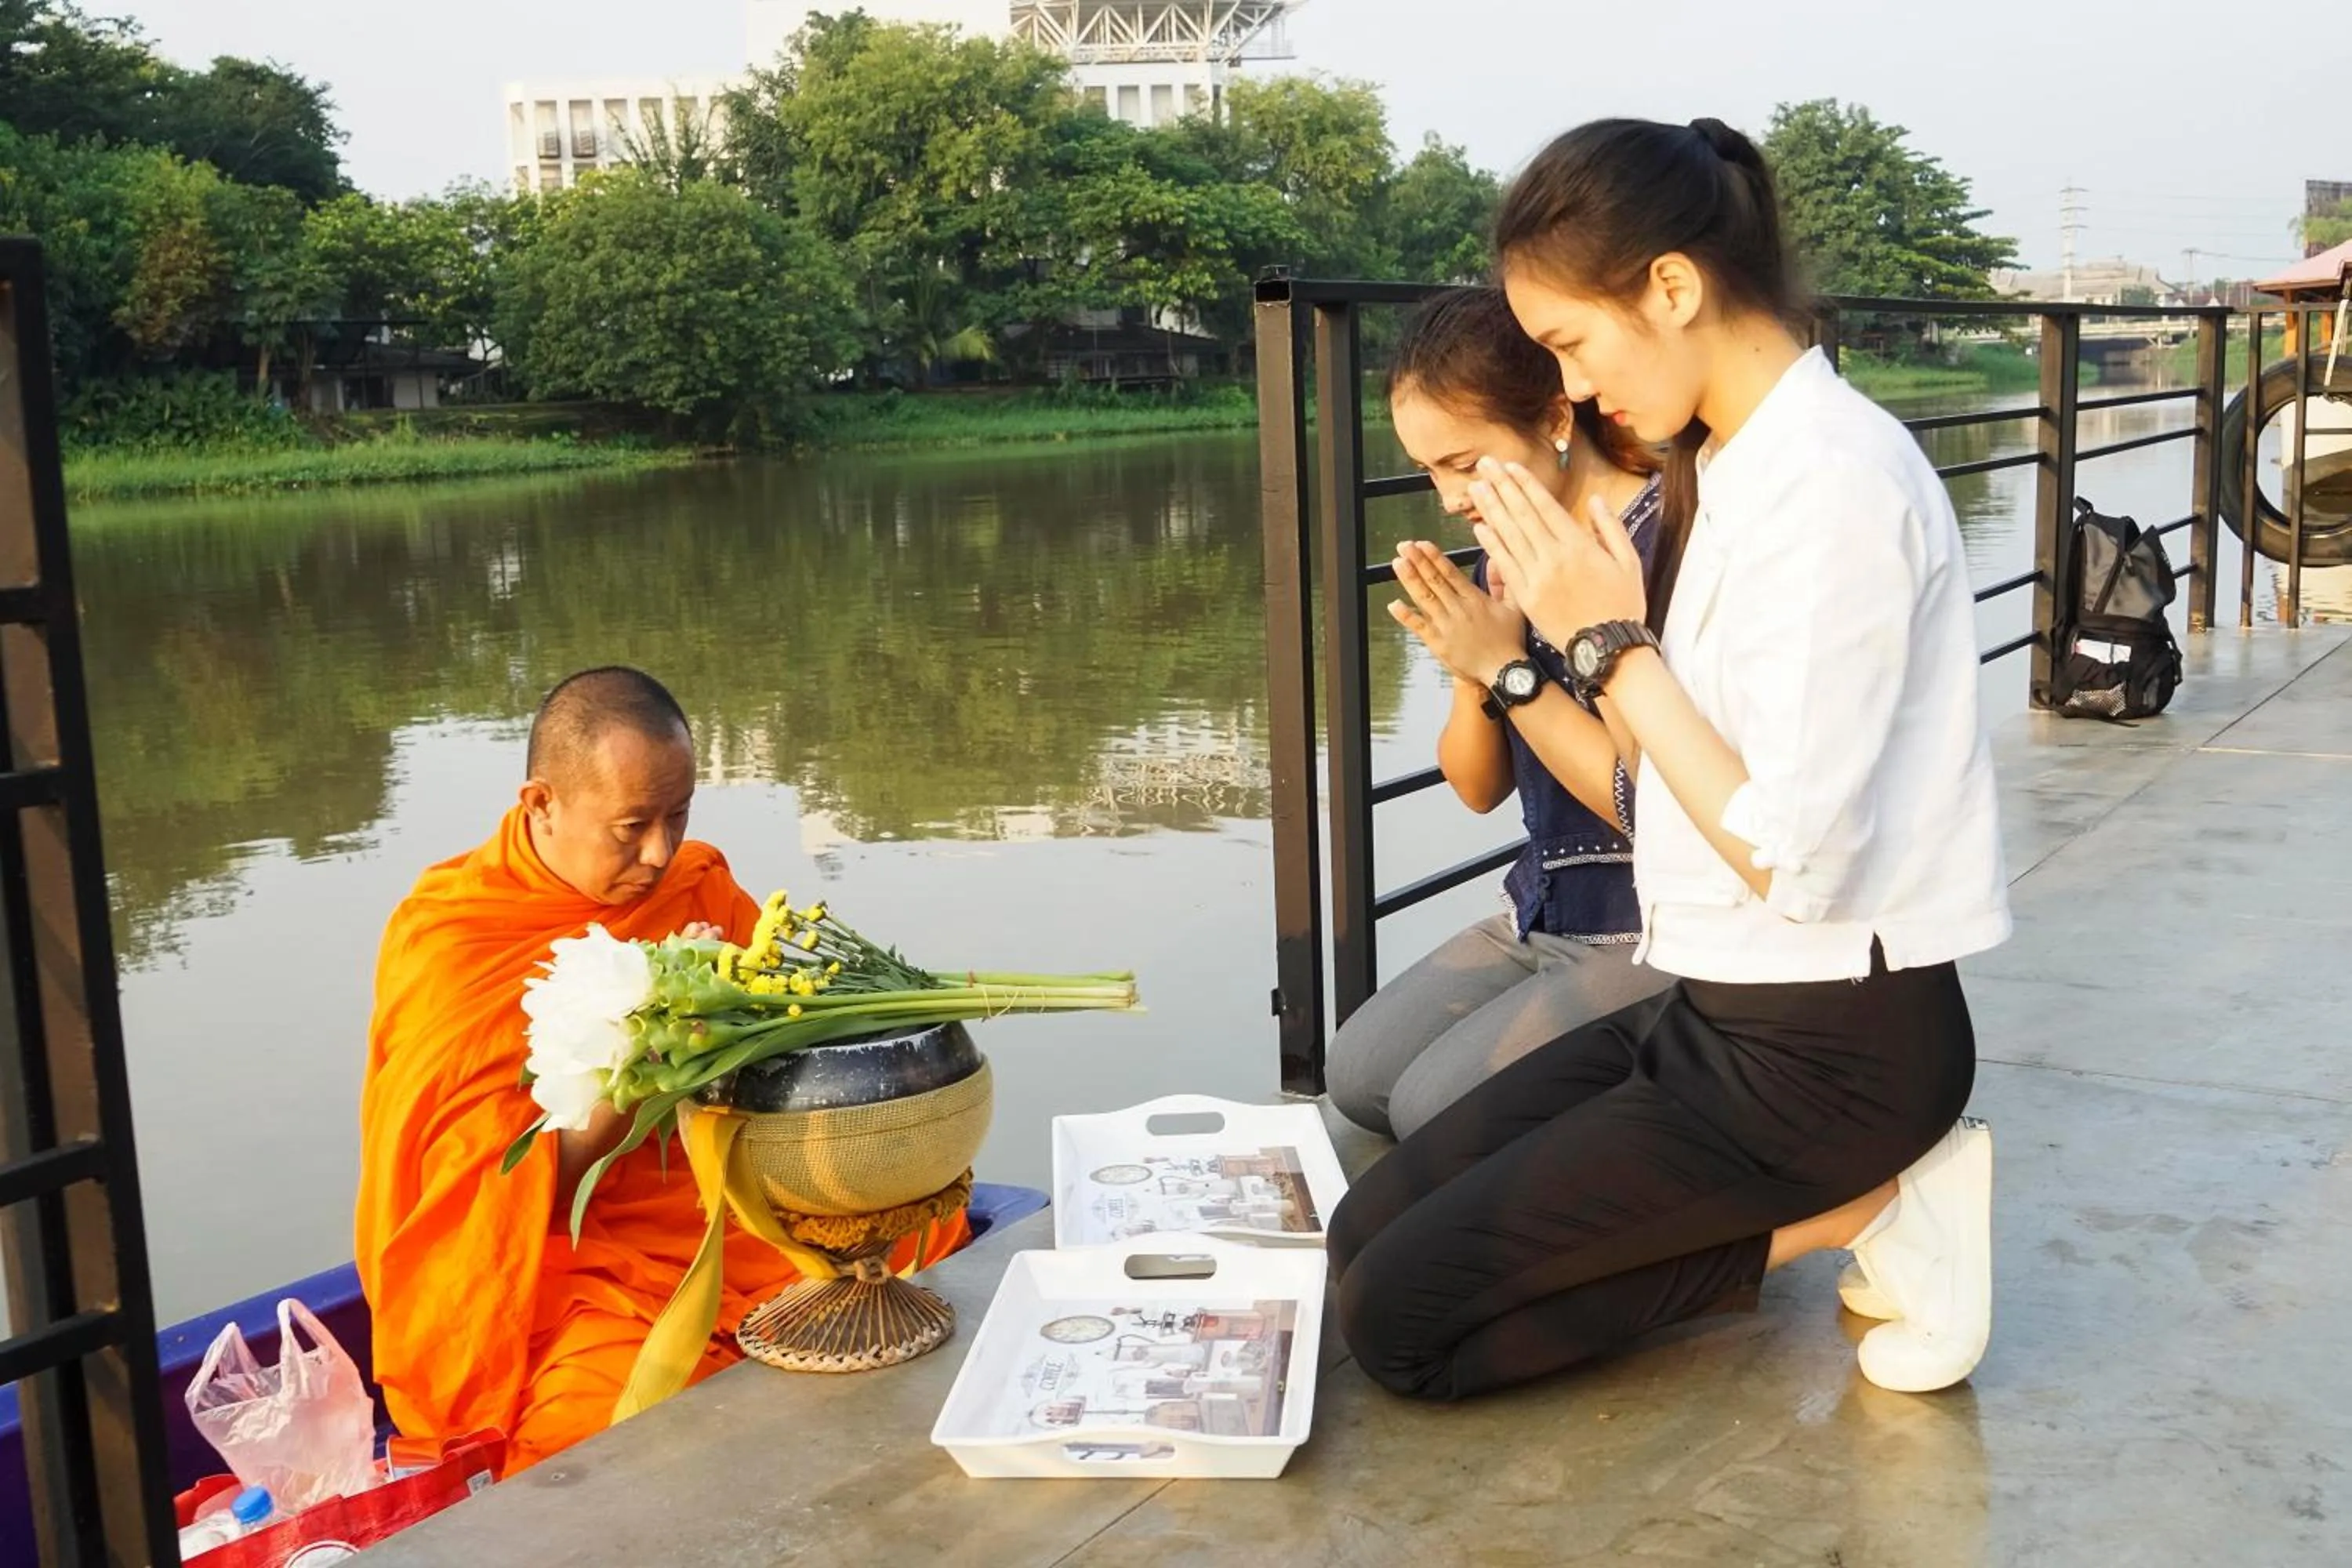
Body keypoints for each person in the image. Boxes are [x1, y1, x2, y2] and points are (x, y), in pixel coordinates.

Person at [1329, 118, 2011, 1400]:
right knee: (1360, 1238)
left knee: (1401, 1330)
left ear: (1676, 287)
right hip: (1712, 1006)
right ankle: (1851, 1203)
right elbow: (1668, 796)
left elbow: (1791, 863)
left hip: (1829, 1058)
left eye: (1573, 345)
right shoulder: (1732, 472)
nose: (1575, 393)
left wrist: (1601, 637)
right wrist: (1549, 650)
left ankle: (1881, 1205)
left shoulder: (1834, 488)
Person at [355, 667, 969, 1469]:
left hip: (725, 1211)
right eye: (630, 826)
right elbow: (481, 1190)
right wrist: (636, 1074)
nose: (658, 852)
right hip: (569, 1260)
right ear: (541, 803)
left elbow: (786, 1054)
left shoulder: (696, 887)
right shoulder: (454, 941)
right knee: (602, 1423)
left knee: (922, 1228)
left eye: (677, 816)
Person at [1325, 285, 1686, 1142]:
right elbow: (1476, 786)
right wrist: (1468, 667)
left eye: (1462, 461)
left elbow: (1661, 806)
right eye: (1428, 470)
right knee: (1360, 1075)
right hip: (1545, 908)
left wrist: (1510, 668)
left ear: (1557, 415)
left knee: (1433, 1107)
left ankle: (1673, 1092)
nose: (1448, 497)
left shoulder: (1663, 540)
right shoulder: (1509, 555)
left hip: (1651, 922)